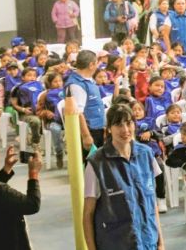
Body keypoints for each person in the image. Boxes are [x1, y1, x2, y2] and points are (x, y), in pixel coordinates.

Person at [84, 104, 163, 250]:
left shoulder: (146, 154)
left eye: (129, 123)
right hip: (115, 244)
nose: (125, 130)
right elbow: (88, 215)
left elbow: (152, 204)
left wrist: (160, 243)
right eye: (118, 125)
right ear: (108, 128)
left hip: (147, 241)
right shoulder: (96, 164)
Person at [68, 50, 107, 156]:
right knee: (90, 166)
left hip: (98, 128)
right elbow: (78, 113)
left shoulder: (89, 80)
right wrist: (86, 136)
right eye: (96, 63)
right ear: (91, 65)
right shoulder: (77, 84)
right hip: (90, 130)